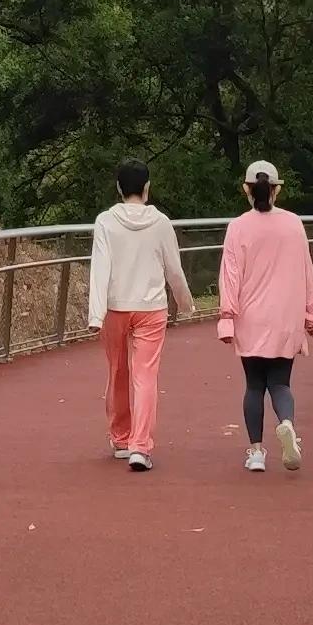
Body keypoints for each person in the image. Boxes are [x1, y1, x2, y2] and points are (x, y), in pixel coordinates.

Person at [85, 159, 195, 472]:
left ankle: (121, 437)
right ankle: (140, 446)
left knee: (117, 371)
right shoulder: (161, 222)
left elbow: (100, 268)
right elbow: (173, 267)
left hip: (116, 306)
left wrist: (96, 313)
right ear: (147, 188)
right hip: (151, 307)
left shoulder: (106, 221)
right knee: (145, 376)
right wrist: (185, 302)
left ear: (119, 188)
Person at [215, 159, 313, 475]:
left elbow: (230, 276)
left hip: (250, 316)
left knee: (253, 385)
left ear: (246, 188)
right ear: (276, 190)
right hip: (286, 317)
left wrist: (226, 317)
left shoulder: (237, 227)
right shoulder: (294, 224)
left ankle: (257, 452)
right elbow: (307, 271)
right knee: (280, 382)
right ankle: (287, 424)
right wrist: (311, 314)